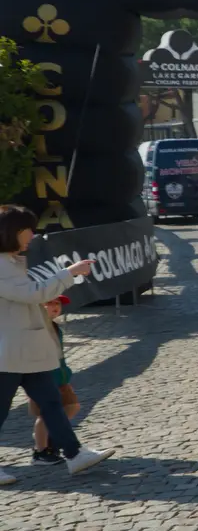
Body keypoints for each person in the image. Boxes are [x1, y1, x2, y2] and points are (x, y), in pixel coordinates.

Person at [0, 206, 112, 482]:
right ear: (13, 232)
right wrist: (70, 273)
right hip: (9, 351)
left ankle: (74, 454)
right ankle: (73, 454)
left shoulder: (10, 261)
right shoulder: (2, 264)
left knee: (52, 402)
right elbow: (32, 293)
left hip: (23, 350)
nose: (33, 236)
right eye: (29, 230)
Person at [28, 297, 78, 466]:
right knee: (45, 415)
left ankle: (52, 440)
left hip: (59, 378)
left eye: (58, 303)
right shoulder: (38, 328)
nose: (55, 307)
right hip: (43, 378)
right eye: (50, 303)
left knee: (71, 406)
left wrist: (65, 377)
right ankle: (40, 450)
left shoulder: (54, 327)